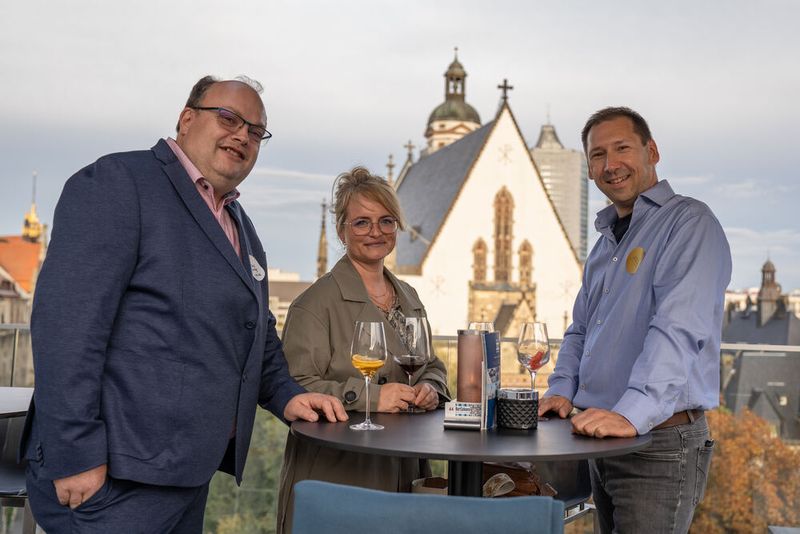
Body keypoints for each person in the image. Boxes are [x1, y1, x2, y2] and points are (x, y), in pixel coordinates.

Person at [21, 75, 347, 533]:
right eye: (229, 118)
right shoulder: (119, 182)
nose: (242, 135)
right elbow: (66, 329)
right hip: (114, 479)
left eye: (256, 132)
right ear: (187, 118)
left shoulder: (239, 224)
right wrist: (74, 453)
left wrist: (288, 395)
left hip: (185, 475)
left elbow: (254, 332)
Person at [538, 107, 731, 533]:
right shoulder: (606, 242)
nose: (610, 165)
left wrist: (630, 414)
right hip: (599, 436)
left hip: (658, 445)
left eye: (622, 148)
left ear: (652, 151)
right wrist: (561, 390)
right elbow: (581, 331)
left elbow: (679, 329)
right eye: (597, 155)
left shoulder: (689, 223)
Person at [275, 167, 450, 534]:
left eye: (386, 221)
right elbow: (295, 386)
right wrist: (371, 396)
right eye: (362, 223)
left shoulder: (410, 297)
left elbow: (431, 364)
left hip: (405, 468)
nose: (376, 232)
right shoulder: (313, 304)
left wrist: (432, 389)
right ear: (341, 230)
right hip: (338, 474)